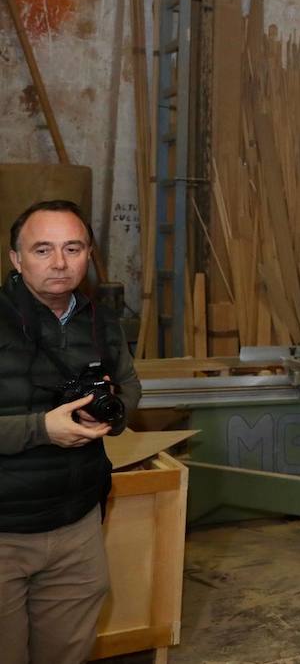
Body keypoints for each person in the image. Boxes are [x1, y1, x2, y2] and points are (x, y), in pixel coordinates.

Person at [0, 200, 142, 664]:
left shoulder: (101, 319)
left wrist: (113, 416)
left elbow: (130, 385)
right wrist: (42, 429)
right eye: (42, 250)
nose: (59, 263)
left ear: (88, 255)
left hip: (77, 525)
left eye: (72, 248)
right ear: (16, 260)